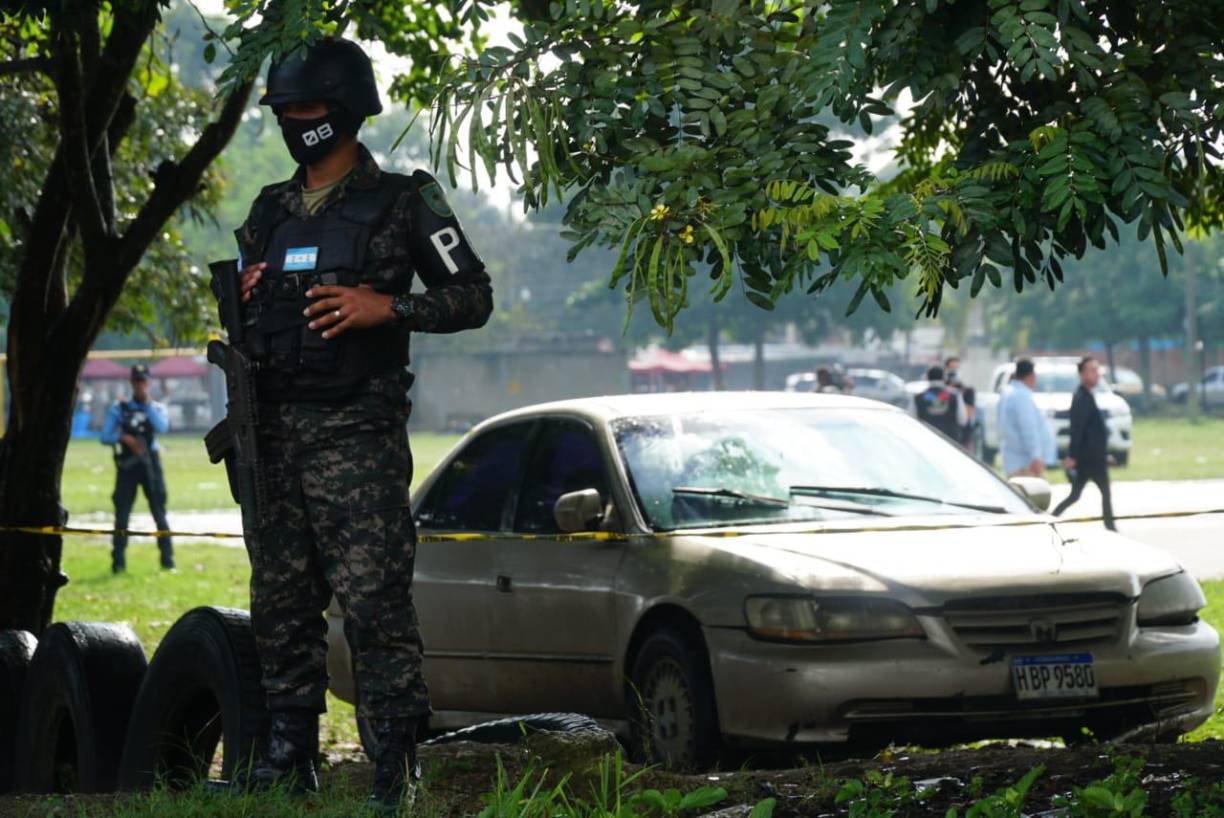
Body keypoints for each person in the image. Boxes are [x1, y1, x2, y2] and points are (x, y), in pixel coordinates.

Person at [229, 38, 492, 810]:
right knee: (279, 601)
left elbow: (472, 296)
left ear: (344, 109)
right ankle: (288, 753)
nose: (293, 123)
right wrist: (248, 296)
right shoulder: (268, 211)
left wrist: (391, 307)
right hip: (272, 437)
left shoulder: (406, 201)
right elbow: (249, 326)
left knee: (374, 601)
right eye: (284, 111)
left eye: (305, 109)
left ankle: (394, 760)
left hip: (357, 437)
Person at [100, 364, 173, 573]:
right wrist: (124, 437)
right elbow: (105, 436)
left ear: (148, 382)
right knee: (122, 514)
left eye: (143, 381)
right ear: (131, 382)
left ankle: (168, 561)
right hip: (127, 467)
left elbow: (162, 428)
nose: (140, 385)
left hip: (150, 466)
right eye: (136, 381)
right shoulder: (119, 408)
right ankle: (118, 562)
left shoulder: (157, 408)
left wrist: (147, 405)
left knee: (159, 512)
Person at [1052, 356, 1117, 530]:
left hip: (1094, 457)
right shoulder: (1081, 398)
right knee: (1099, 493)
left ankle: (1052, 518)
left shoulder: (1087, 396)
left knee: (1077, 495)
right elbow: (1077, 429)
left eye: (1097, 371)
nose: (1096, 375)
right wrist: (1072, 456)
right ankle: (1110, 527)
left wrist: (1104, 455)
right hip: (1089, 459)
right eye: (1092, 371)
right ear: (1082, 374)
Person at [998, 358, 1056, 477]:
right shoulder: (1021, 396)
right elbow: (1028, 429)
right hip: (1025, 464)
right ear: (1031, 376)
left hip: (1014, 460)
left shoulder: (1008, 393)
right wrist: (1035, 456)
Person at [911, 365, 967, 443]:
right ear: (944, 378)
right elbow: (962, 420)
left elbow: (912, 420)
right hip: (950, 442)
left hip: (925, 441)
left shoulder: (917, 397)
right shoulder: (955, 395)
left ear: (927, 378)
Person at [944, 355, 977, 448]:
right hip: (943, 436)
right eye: (951, 369)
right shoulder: (940, 391)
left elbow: (967, 415)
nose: (954, 372)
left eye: (956, 369)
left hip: (962, 437)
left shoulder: (967, 391)